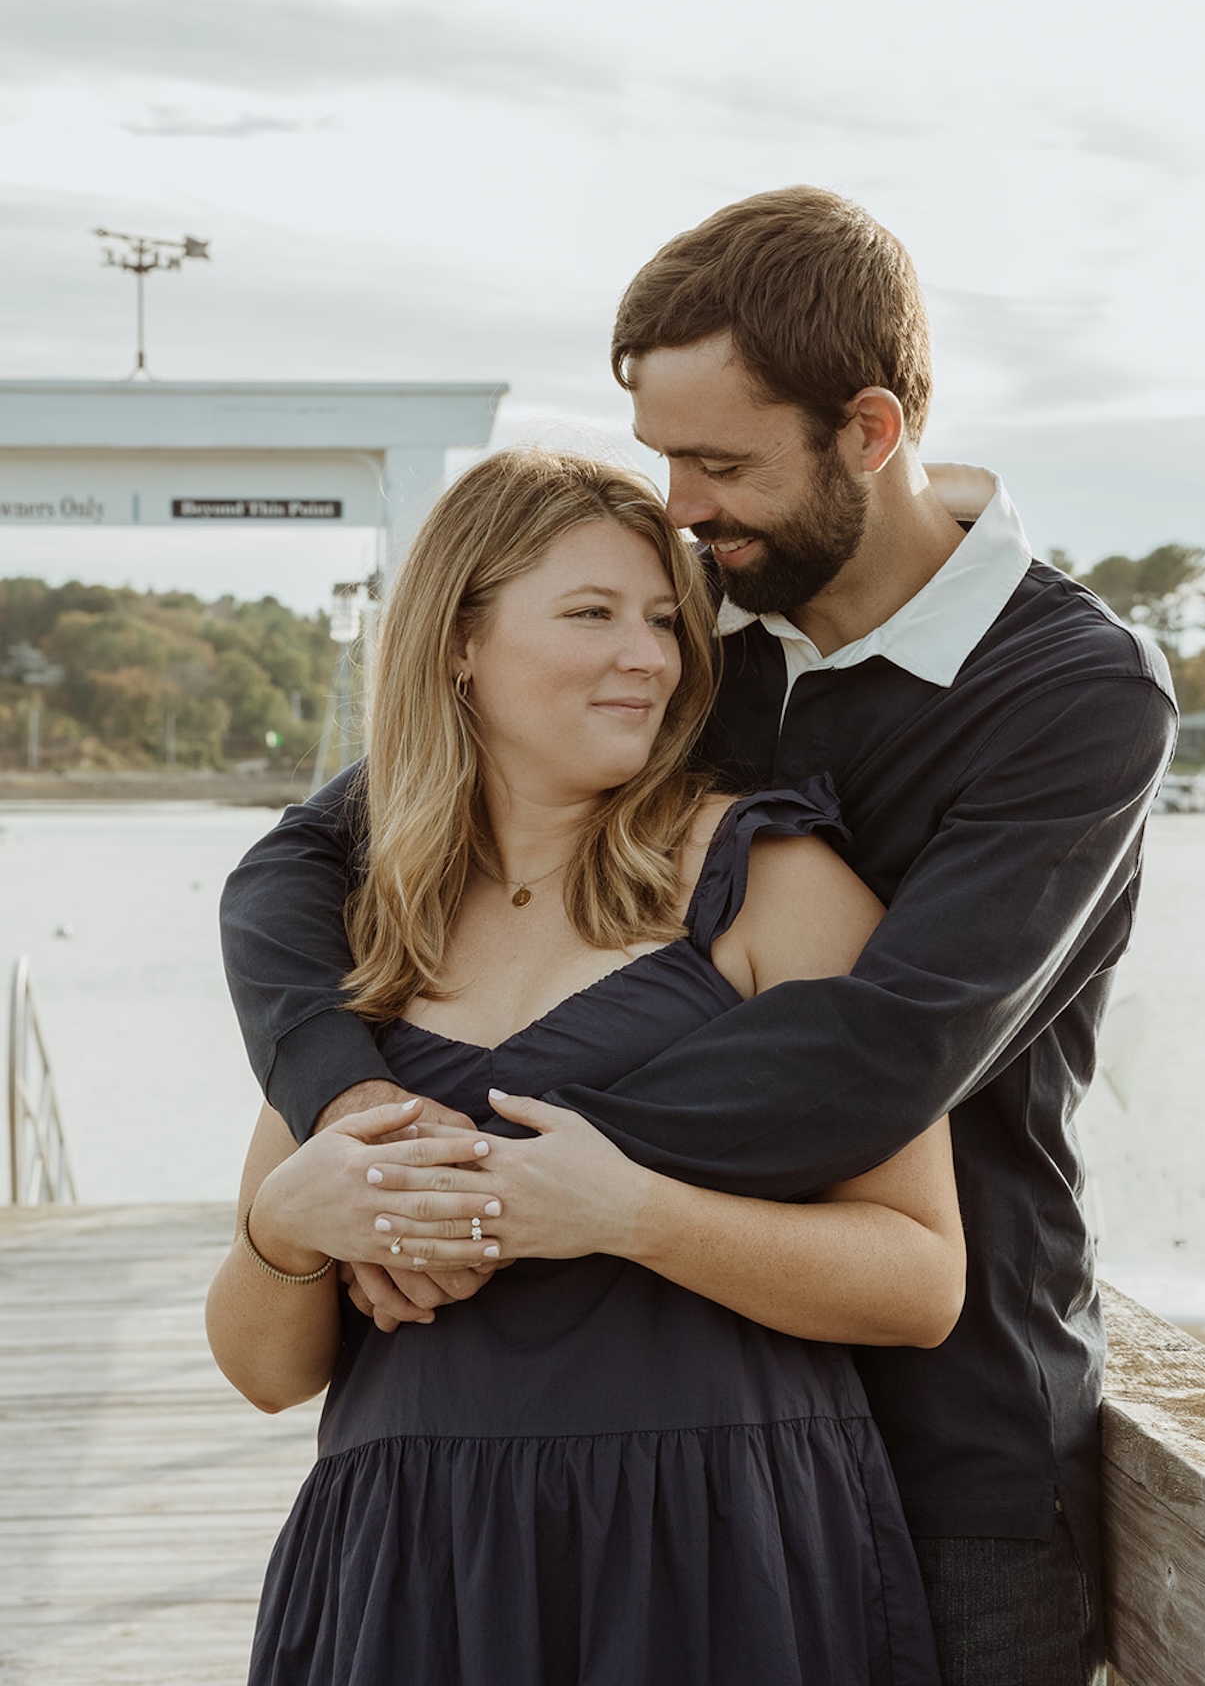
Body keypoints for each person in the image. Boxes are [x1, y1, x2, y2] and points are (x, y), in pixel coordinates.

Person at [221, 188, 1178, 1686]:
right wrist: (344, 1118)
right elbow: (300, 865)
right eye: (667, 457)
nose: (678, 507)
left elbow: (881, 1051)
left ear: (868, 431)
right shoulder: (702, 633)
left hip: (950, 1438)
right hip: (476, 1489)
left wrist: (454, 1186)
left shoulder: (1072, 695)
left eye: (718, 461)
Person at [208, 447, 961, 1686]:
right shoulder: (364, 927)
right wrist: (288, 1230)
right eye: (592, 614)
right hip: (417, 1569)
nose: (650, 658)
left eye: (665, 620)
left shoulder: (773, 889)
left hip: (721, 1554)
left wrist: (631, 1216)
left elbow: (919, 1278)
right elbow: (264, 1371)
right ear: (458, 641)